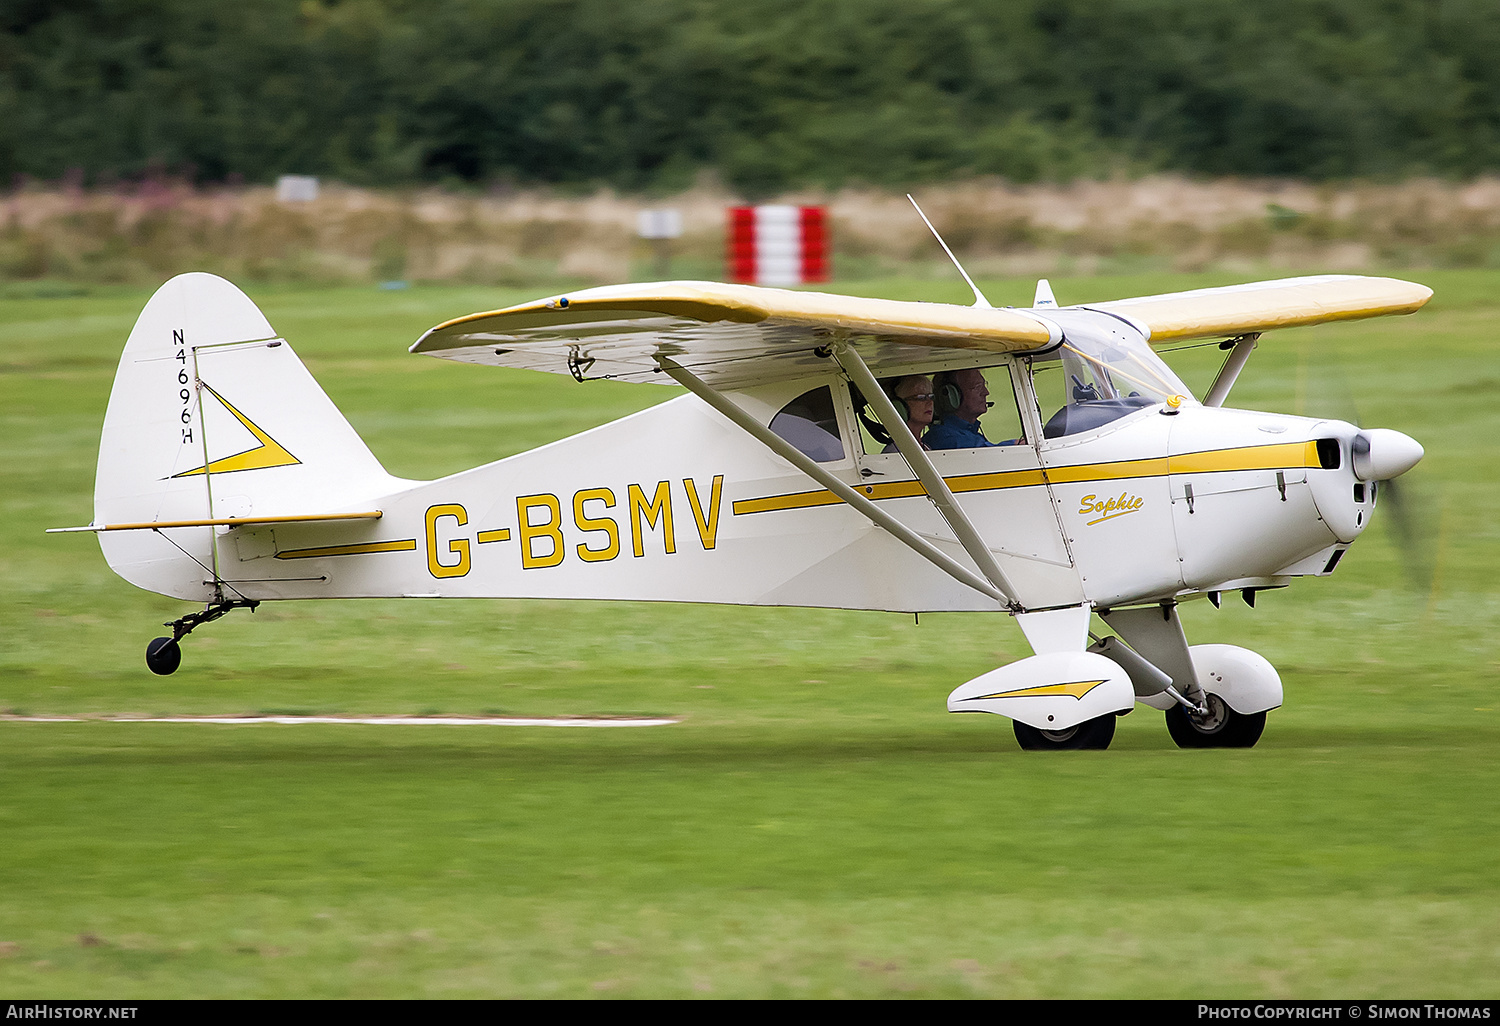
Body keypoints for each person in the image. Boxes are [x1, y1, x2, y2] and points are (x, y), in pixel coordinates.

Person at [925, 368, 1015, 449]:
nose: (986, 392)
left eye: (984, 385)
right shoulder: (944, 437)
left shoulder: (969, 432)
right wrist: (1016, 444)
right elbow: (987, 454)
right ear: (951, 395)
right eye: (977, 387)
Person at [879, 375, 934, 452]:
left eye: (931, 397)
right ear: (900, 405)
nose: (930, 403)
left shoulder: (925, 447)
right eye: (921, 397)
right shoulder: (894, 452)